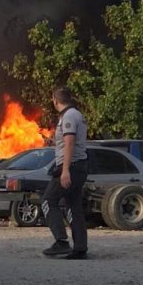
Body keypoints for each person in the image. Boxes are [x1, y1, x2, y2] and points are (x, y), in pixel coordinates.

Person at [41, 87, 89, 260]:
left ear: (55, 100)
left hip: (71, 167)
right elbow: (67, 142)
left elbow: (70, 144)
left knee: (48, 201)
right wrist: (53, 142)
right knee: (73, 206)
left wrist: (65, 171)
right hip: (79, 166)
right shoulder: (77, 115)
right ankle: (80, 248)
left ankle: (61, 242)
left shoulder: (68, 116)